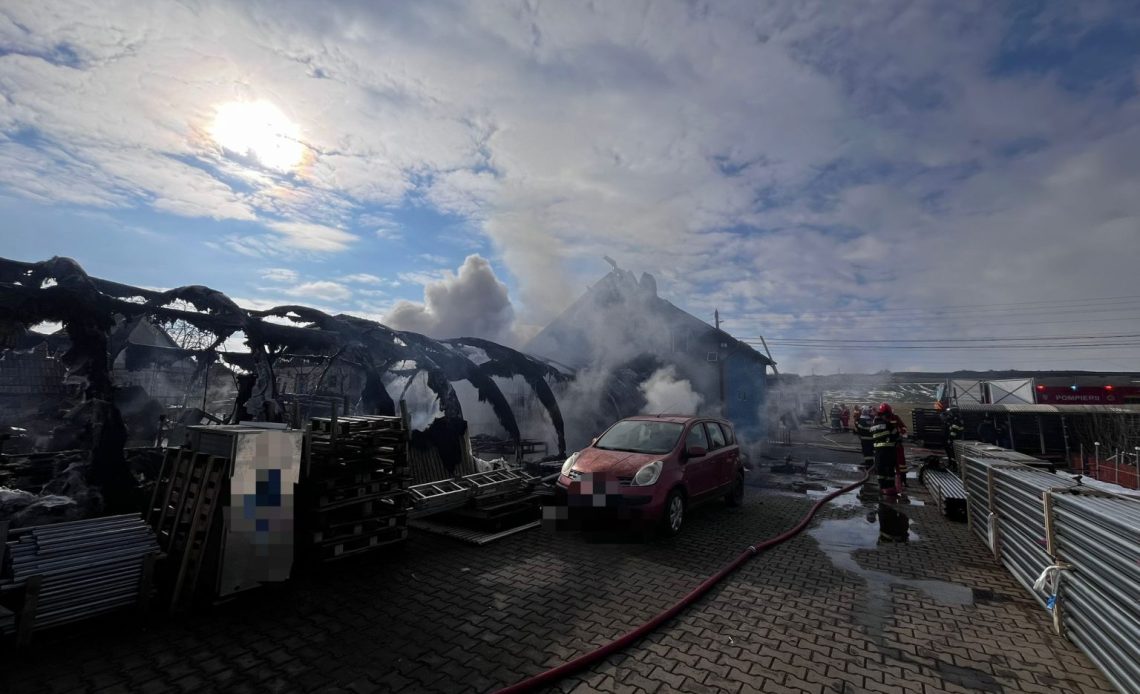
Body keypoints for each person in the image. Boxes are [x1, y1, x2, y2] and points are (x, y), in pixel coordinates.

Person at [870, 402, 903, 496]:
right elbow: (896, 435)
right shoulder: (888, 424)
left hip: (878, 452)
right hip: (889, 451)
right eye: (888, 415)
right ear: (885, 414)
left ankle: (882, 487)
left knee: (880, 470)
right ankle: (890, 488)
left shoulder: (873, 426)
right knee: (889, 470)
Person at [854, 406, 875, 470]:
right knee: (870, 451)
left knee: (866, 451)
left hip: (865, 439)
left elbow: (859, 429)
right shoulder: (871, 420)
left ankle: (868, 463)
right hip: (871, 439)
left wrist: (855, 428)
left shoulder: (862, 420)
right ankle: (871, 462)